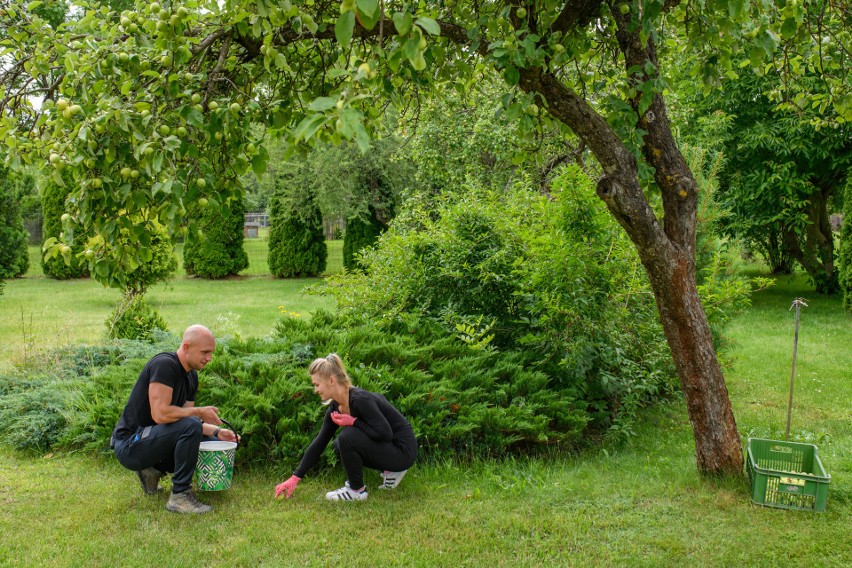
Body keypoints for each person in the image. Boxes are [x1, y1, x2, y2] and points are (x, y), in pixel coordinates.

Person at [111, 324, 237, 514]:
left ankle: (151, 470)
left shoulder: (191, 376)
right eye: (205, 352)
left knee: (209, 440)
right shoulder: (165, 365)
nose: (209, 358)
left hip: (153, 441)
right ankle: (179, 496)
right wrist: (198, 411)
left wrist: (218, 432)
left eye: (211, 352)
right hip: (130, 445)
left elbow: (186, 423)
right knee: (192, 424)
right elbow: (160, 414)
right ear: (186, 347)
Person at [275, 353, 417, 502]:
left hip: (403, 451)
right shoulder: (335, 407)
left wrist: (353, 422)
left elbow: (386, 434)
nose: (315, 390)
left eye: (317, 385)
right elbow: (320, 442)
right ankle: (390, 471)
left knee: (347, 437)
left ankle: (357, 491)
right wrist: (295, 478)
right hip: (390, 448)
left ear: (331, 380)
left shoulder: (360, 400)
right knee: (338, 445)